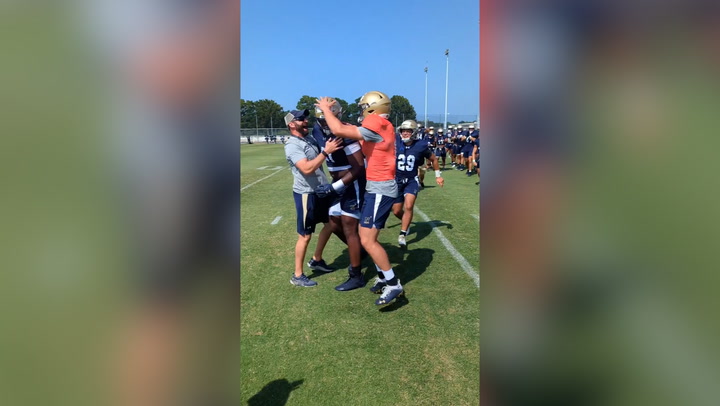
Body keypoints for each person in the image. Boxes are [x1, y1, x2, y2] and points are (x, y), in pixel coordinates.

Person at [315, 92, 404, 306]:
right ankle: (383, 277)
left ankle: (393, 285)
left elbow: (337, 130)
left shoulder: (378, 123)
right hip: (376, 186)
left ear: (372, 107)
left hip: (381, 187)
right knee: (366, 236)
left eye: (364, 106)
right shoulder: (381, 124)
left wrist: (326, 108)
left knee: (367, 240)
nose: (361, 110)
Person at [311, 98, 368, 291]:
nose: (325, 125)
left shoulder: (347, 133)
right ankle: (360, 251)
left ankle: (356, 274)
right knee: (333, 221)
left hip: (352, 183)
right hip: (338, 182)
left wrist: (334, 187)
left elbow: (359, 167)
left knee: (349, 225)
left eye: (329, 119)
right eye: (322, 120)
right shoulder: (317, 130)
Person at [283, 109, 343, 287]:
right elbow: (307, 168)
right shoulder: (292, 145)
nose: (305, 121)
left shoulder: (308, 139)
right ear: (291, 124)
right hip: (306, 194)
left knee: (332, 223)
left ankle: (317, 259)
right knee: (305, 236)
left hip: (321, 191)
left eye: (305, 118)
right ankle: (297, 275)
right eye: (301, 119)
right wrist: (325, 153)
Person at [392, 120, 444, 247]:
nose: (405, 133)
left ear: (414, 132)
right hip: (397, 180)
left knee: (409, 206)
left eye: (408, 131)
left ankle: (403, 234)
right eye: (403, 131)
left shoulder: (420, 145)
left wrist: (438, 176)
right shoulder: (396, 142)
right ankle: (406, 221)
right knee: (396, 211)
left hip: (411, 180)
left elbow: (433, 159)